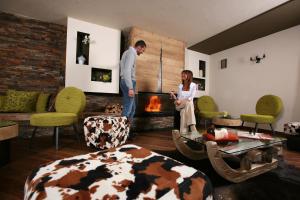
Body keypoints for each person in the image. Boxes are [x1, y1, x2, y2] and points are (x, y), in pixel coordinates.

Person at [120, 40, 146, 138]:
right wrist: (130, 87)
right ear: (139, 47)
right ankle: (122, 132)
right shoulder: (131, 53)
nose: (142, 52)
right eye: (142, 50)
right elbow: (127, 70)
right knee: (128, 108)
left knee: (133, 108)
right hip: (128, 82)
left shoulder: (127, 52)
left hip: (128, 82)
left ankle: (127, 130)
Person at [170, 70, 198, 134]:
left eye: (184, 74)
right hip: (179, 105)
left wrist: (182, 101)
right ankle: (192, 126)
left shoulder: (194, 85)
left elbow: (191, 97)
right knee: (189, 103)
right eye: (182, 74)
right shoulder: (180, 86)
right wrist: (174, 96)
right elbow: (178, 98)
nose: (182, 75)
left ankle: (183, 132)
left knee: (183, 112)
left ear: (189, 75)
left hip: (186, 104)